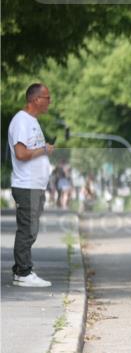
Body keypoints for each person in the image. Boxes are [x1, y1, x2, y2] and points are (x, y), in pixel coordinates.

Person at [8, 83, 55, 287]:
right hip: (26, 185)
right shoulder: (22, 121)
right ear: (36, 99)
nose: (49, 102)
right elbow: (21, 153)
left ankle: (23, 270)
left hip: (34, 186)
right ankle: (23, 273)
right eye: (47, 98)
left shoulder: (32, 121)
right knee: (27, 230)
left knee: (31, 230)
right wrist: (43, 150)